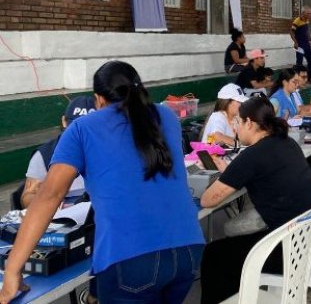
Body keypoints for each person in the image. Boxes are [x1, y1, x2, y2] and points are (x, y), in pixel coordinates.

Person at [0, 61, 204, 303]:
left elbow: (48, 197)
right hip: (189, 250)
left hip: (131, 259)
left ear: (99, 99)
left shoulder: (82, 129)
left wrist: (13, 270)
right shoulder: (167, 116)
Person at [199, 96, 311, 303]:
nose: (236, 128)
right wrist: (231, 172)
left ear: (249, 122)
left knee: (214, 254)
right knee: (232, 245)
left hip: (288, 252)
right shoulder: (287, 142)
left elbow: (207, 201)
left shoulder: (253, 155)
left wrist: (225, 176)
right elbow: (263, 173)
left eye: (237, 122)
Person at [16, 96, 95, 209]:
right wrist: (42, 201)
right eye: (75, 127)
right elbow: (27, 197)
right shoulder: (45, 155)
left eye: (88, 128)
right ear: (64, 122)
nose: (81, 134)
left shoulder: (107, 151)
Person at [290, 5, 311, 81]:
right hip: (300, 45)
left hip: (307, 45)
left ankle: (310, 78)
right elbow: (291, 32)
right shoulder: (297, 21)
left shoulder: (306, 20)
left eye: (310, 13)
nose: (310, 15)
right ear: (303, 13)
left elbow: (307, 32)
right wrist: (295, 42)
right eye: (308, 13)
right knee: (299, 63)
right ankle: (298, 79)